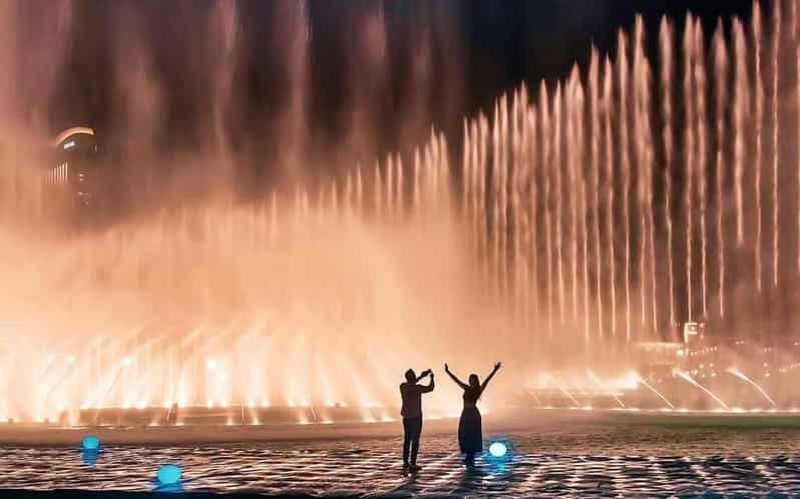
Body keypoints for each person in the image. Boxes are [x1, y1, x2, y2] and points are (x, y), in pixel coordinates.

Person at [444, 361, 502, 467]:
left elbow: (487, 380)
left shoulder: (479, 389)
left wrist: (495, 370)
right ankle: (468, 454)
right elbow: (456, 380)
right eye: (470, 380)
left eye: (473, 380)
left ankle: (471, 455)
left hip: (473, 413)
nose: (471, 381)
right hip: (465, 412)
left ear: (476, 381)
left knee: (472, 434)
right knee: (463, 434)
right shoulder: (466, 388)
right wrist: (448, 372)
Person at [399, 368, 434, 471]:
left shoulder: (402, 387)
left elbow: (411, 384)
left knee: (407, 439)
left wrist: (421, 376)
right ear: (414, 377)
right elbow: (431, 388)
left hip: (406, 416)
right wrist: (431, 378)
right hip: (416, 417)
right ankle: (413, 463)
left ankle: (405, 462)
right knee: (415, 440)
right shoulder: (418, 388)